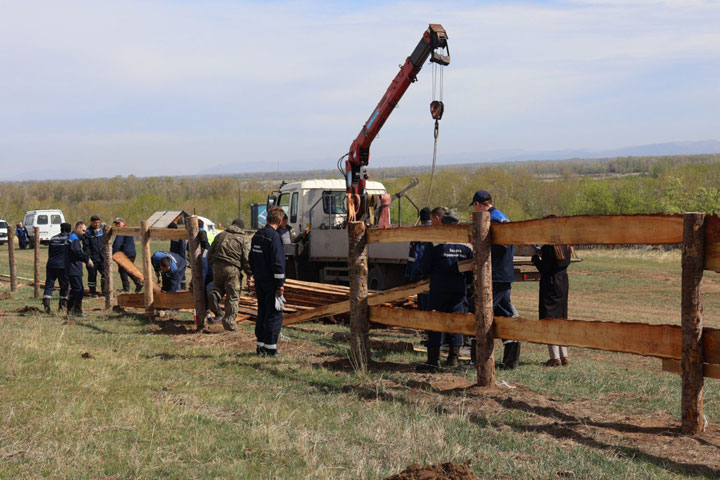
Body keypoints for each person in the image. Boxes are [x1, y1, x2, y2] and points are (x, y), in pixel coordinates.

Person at [470, 190, 520, 369]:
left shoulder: (493, 219)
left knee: (481, 311)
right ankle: (511, 359)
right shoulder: (502, 216)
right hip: (504, 272)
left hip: (495, 272)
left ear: (477, 204)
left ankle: (477, 360)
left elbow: (487, 244)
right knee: (504, 313)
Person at [419, 210, 473, 369]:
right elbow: (471, 269)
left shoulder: (435, 243)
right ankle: (453, 359)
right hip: (458, 289)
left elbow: (425, 267)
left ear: (443, 223)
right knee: (456, 323)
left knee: (435, 321)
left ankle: (434, 360)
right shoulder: (466, 244)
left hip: (439, 288)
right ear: (457, 224)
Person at [250, 206, 286, 357]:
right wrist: (280, 284)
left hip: (259, 280)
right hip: (271, 282)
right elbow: (278, 263)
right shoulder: (274, 237)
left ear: (267, 218)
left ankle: (260, 345)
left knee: (262, 311)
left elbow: (251, 258)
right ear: (279, 221)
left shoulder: (257, 235)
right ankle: (270, 348)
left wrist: (255, 275)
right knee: (274, 314)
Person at [207, 218, 252, 332]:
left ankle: (214, 294)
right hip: (232, 269)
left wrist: (212, 264)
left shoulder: (221, 235)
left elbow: (210, 252)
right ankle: (230, 324)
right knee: (232, 296)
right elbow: (246, 259)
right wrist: (250, 273)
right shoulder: (243, 239)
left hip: (217, 267)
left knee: (219, 288)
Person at [532, 243, 573, 366]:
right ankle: (564, 355)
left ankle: (554, 357)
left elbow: (544, 268)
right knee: (561, 319)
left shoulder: (548, 248)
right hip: (563, 282)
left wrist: (535, 257)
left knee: (549, 319)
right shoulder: (566, 246)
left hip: (550, 283)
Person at [43, 222, 71, 314]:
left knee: (49, 285)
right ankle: (62, 307)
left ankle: (46, 307)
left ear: (61, 229)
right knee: (64, 286)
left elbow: (50, 252)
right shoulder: (69, 239)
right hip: (62, 266)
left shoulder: (53, 238)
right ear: (69, 230)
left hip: (51, 265)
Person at [65, 221, 91, 317]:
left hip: (73, 267)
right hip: (73, 268)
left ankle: (74, 311)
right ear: (78, 229)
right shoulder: (74, 239)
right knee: (78, 289)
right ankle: (74, 311)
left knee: (77, 289)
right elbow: (77, 252)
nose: (84, 232)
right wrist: (87, 259)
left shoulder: (73, 238)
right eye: (83, 230)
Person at [111, 217, 143, 293]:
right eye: (116, 224)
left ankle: (128, 287)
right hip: (131, 253)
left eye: (118, 223)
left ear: (123, 222)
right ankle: (137, 283)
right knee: (128, 270)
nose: (117, 225)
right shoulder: (127, 229)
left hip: (125, 255)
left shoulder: (122, 231)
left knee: (123, 271)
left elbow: (117, 243)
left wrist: (112, 253)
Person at [405, 207, 432, 283]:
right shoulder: (437, 230)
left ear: (420, 219)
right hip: (432, 272)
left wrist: (408, 274)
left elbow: (412, 256)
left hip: (419, 271)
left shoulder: (416, 232)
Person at [82, 215, 105, 296]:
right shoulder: (87, 233)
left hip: (102, 257)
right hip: (92, 258)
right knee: (92, 275)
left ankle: (104, 290)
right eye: (95, 223)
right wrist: (88, 259)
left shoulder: (101, 230)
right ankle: (92, 292)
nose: (97, 224)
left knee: (105, 274)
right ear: (91, 222)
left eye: (98, 222)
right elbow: (86, 247)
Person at [168, 222, 188, 289]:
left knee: (180, 274)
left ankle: (183, 288)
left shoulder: (179, 237)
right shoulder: (173, 237)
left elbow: (182, 249)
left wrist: (181, 259)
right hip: (174, 258)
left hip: (179, 259)